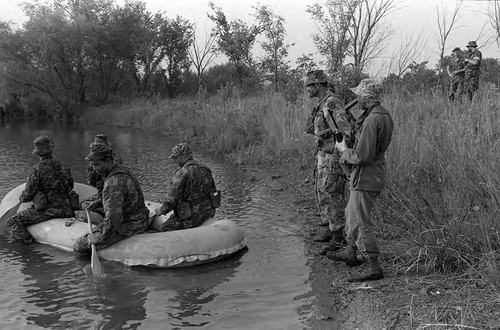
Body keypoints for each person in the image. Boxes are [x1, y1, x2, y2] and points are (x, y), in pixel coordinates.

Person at [327, 78, 394, 282]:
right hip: (371, 174)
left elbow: (362, 156)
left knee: (359, 221)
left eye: (359, 95)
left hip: (366, 175)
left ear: (367, 97)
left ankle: (374, 267)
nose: (357, 99)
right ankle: (351, 252)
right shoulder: (382, 115)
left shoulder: (373, 119)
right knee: (350, 213)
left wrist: (344, 150)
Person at [304, 69, 352, 255]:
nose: (307, 89)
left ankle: (339, 236)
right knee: (321, 191)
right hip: (323, 153)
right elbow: (311, 128)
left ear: (318, 85)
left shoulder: (331, 102)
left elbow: (344, 130)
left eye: (309, 85)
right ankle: (331, 229)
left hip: (333, 154)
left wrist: (343, 154)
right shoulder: (321, 104)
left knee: (333, 193)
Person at [73, 143, 149, 256]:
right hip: (142, 218)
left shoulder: (112, 183)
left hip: (129, 224)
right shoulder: (123, 169)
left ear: (108, 161)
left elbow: (113, 222)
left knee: (79, 245)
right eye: (93, 165)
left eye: (97, 164)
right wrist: (99, 202)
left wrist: (96, 237)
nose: (95, 169)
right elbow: (124, 197)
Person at [6, 136, 74, 244]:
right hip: (66, 209)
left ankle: (30, 247)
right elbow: (71, 186)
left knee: (12, 222)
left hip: (48, 211)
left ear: (38, 153)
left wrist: (20, 198)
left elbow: (28, 195)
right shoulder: (64, 166)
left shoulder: (36, 169)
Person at [154, 143, 220, 232]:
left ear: (184, 156)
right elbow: (213, 191)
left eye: (176, 157)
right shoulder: (205, 169)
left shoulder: (181, 173)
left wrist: (161, 210)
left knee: (164, 228)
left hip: (191, 217)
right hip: (208, 213)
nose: (174, 160)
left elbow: (172, 199)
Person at [84, 134, 123, 213]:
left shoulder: (101, 161)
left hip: (110, 196)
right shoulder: (115, 157)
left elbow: (92, 180)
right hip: (110, 195)